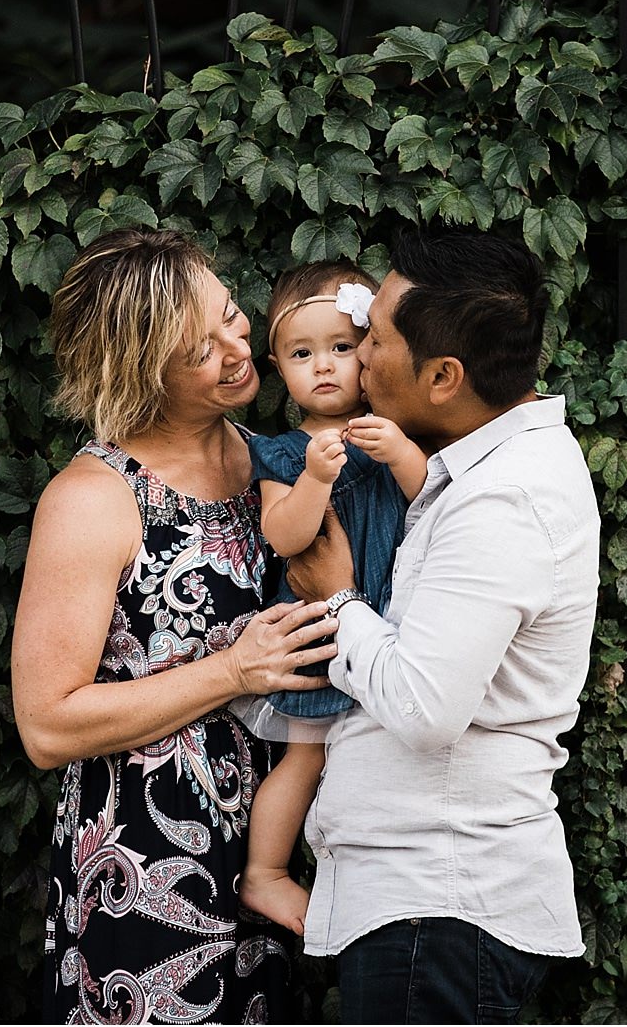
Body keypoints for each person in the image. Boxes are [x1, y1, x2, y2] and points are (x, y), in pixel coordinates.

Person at [12, 228, 341, 1025]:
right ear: (140, 371)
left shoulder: (278, 462)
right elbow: (47, 723)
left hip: (276, 850)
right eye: (201, 348)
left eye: (231, 316)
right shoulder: (93, 498)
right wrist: (233, 670)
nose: (238, 348)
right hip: (143, 871)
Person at [285, 226, 599, 1025]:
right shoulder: (475, 471)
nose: (358, 357)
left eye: (377, 339)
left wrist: (337, 598)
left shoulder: (504, 500)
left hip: (441, 908)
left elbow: (426, 705)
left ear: (443, 375)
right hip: (424, 905)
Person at [233, 262, 426, 936]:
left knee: (381, 759)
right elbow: (283, 533)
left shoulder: (393, 429)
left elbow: (428, 500)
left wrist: (402, 453)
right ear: (277, 365)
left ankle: (367, 881)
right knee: (306, 754)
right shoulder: (285, 453)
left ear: (369, 349)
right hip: (319, 629)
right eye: (302, 352)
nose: (324, 367)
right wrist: (316, 476)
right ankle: (265, 873)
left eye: (342, 348)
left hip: (389, 629)